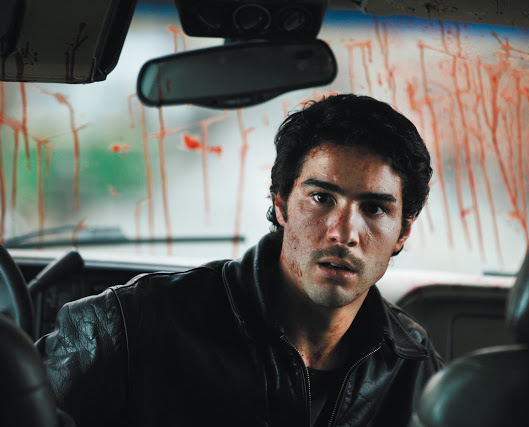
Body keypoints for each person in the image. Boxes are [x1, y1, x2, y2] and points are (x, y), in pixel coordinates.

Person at [35, 94, 443, 427]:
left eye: (374, 208)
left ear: (403, 232)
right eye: (321, 198)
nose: (343, 233)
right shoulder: (132, 325)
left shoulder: (414, 370)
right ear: (281, 204)